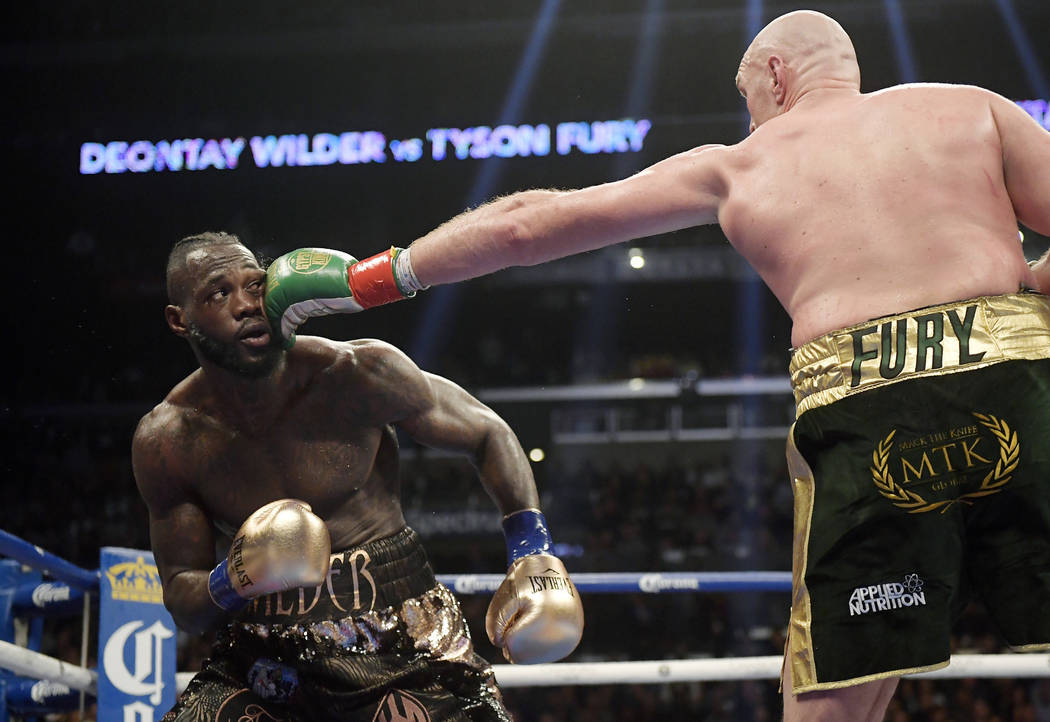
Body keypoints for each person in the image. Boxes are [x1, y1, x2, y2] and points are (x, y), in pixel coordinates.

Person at [263, 9, 1050, 721]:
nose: (751, 117)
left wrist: (372, 278)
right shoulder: (972, 106)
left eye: (749, 96)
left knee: (839, 688)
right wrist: (1019, 301)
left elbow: (528, 225)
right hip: (1020, 375)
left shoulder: (740, 164)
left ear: (776, 75)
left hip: (866, 401)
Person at [131, 233, 584, 722]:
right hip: (266, 654)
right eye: (218, 294)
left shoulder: (354, 372)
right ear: (180, 319)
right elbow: (183, 598)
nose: (246, 305)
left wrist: (531, 549)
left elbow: (486, 431)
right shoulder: (168, 439)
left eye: (255, 286)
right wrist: (234, 577)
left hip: (401, 636)